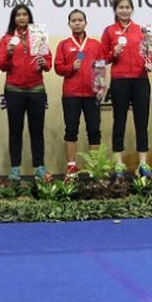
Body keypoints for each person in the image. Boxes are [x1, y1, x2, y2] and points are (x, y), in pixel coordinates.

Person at [101, 0, 152, 177]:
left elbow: (149, 53)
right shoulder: (109, 31)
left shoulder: (142, 30)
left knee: (142, 121)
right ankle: (118, 163)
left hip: (140, 79)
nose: (124, 10)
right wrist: (113, 54)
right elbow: (103, 58)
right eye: (121, 7)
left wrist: (149, 63)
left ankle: (143, 164)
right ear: (115, 10)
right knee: (119, 121)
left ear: (132, 9)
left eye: (127, 7)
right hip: (120, 80)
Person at [0, 4, 51, 180]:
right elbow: (2, 66)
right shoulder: (6, 39)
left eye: (25, 14)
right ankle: (15, 168)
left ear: (29, 17)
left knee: (37, 131)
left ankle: (39, 167)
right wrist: (9, 53)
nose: (21, 17)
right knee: (15, 130)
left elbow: (48, 64)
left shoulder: (39, 36)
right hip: (14, 90)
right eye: (18, 15)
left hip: (36, 89)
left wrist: (44, 62)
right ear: (13, 18)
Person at [54, 9, 103, 177]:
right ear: (69, 24)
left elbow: (100, 67)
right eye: (73, 20)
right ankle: (71, 166)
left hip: (92, 94)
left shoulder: (95, 44)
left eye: (80, 20)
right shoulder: (63, 44)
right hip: (71, 94)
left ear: (85, 23)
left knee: (94, 130)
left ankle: (94, 167)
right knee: (71, 130)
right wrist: (70, 68)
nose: (77, 23)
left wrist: (101, 88)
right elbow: (58, 68)